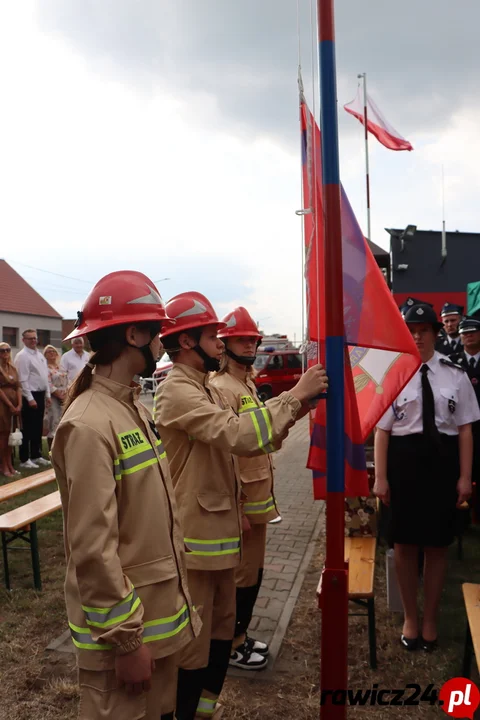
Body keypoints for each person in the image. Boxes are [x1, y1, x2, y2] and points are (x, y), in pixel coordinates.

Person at [155, 292, 328, 719]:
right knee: (194, 652)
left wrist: (299, 404)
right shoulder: (178, 392)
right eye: (213, 336)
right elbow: (237, 434)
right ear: (188, 342)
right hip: (196, 546)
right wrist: (293, 396)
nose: (221, 342)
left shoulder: (201, 388)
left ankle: (204, 712)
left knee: (217, 644)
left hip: (220, 538)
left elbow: (252, 439)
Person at [51, 271, 201, 720]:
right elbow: (93, 550)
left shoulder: (131, 405)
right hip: (125, 642)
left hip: (157, 624)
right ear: (133, 334)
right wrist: (128, 641)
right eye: (158, 331)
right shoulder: (88, 424)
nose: (164, 342)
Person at [374, 303, 479, 652]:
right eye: (411, 330)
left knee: (436, 545)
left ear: (436, 333)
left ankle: (430, 618)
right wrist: (381, 478)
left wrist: (465, 477)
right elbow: (382, 432)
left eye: (423, 329)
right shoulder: (393, 374)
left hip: (442, 465)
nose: (417, 336)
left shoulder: (455, 374)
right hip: (403, 465)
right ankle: (410, 617)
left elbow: (465, 430)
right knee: (403, 544)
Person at [210, 306, 287, 671]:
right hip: (242, 502)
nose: (251, 345)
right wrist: (237, 508)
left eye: (253, 339)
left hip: (258, 499)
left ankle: (239, 636)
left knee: (253, 574)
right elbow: (225, 454)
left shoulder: (246, 384)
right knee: (239, 578)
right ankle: (231, 644)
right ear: (224, 345)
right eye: (243, 339)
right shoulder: (221, 387)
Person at [452, 314, 480, 520]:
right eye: (464, 334)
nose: (468, 337)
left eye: (472, 332)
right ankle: (461, 518)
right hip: (460, 427)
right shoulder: (452, 362)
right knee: (461, 470)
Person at [14, 329, 51, 469]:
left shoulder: (39, 355)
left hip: (40, 394)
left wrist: (47, 395)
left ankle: (36, 455)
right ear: (23, 340)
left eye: (35, 338)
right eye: (30, 339)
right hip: (30, 395)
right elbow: (22, 380)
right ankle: (25, 458)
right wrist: (30, 398)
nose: (33, 341)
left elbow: (44, 376)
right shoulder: (22, 356)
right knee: (27, 428)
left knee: (38, 427)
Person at [0, 342, 22, 477]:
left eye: (7, 350)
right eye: (2, 351)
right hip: (3, 405)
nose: (5, 353)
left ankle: (10, 464)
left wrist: (19, 404)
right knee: (3, 435)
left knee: (10, 435)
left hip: (14, 405)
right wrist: (10, 405)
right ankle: (3, 466)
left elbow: (18, 386)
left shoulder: (12, 367)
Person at [43, 345, 68, 450]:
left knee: (64, 421)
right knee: (54, 422)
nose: (51, 353)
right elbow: (47, 383)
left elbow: (67, 380)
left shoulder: (61, 367)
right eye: (49, 352)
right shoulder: (45, 368)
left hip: (65, 397)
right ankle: (51, 450)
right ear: (45, 355)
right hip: (53, 398)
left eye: (53, 351)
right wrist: (58, 394)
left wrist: (67, 393)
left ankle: (62, 449)